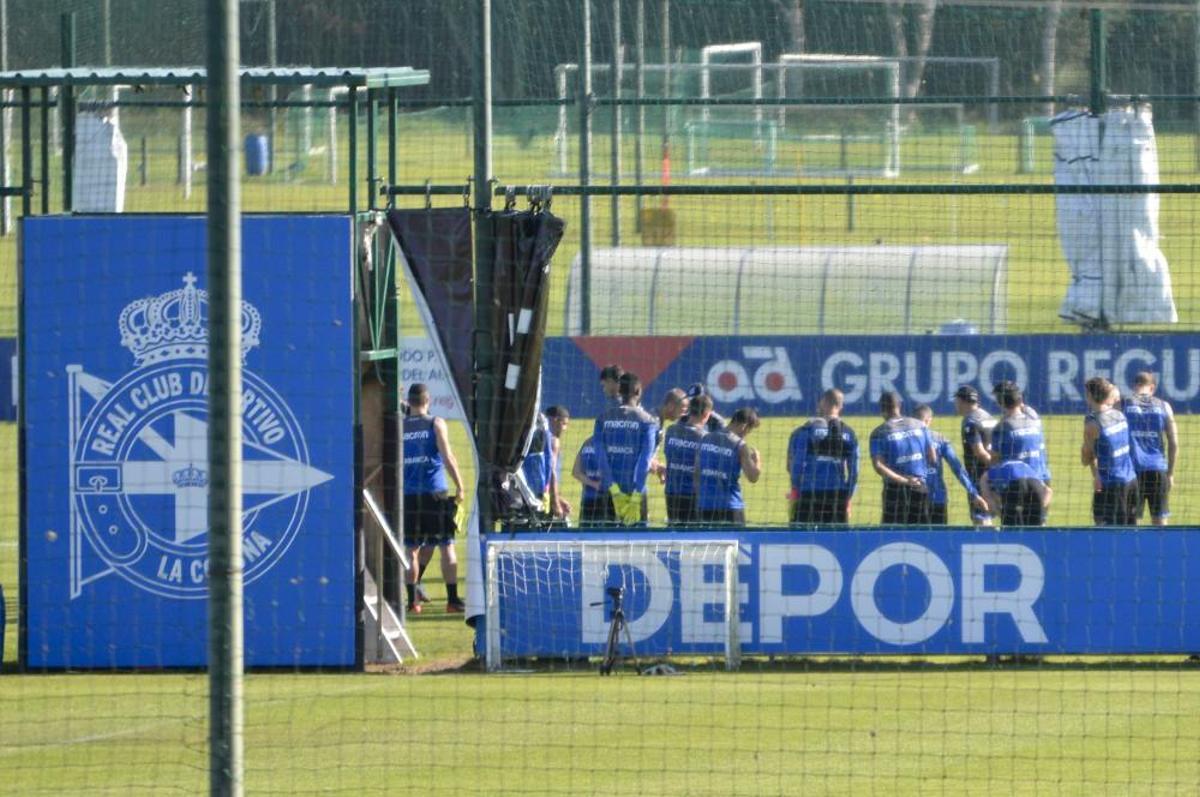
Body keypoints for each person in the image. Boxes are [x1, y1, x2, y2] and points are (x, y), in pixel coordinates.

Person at [402, 383, 466, 614]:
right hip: (435, 494)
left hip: (408, 496)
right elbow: (447, 456)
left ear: (409, 402)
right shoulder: (435, 423)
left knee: (411, 550)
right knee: (446, 546)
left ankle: (412, 602)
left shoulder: (399, 426)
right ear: (428, 401)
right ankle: (452, 600)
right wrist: (460, 485)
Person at [593, 372, 659, 524]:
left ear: (619, 391)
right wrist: (637, 494)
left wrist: (614, 489)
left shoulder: (602, 419)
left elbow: (600, 457)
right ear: (638, 391)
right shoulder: (648, 421)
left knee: (608, 537)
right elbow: (645, 461)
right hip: (636, 491)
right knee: (639, 537)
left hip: (609, 492)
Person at [787, 388, 858, 524]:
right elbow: (854, 471)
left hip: (809, 492)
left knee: (805, 535)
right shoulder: (849, 433)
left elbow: (796, 465)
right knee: (836, 536)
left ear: (822, 402)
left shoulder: (804, 431)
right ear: (841, 406)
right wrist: (847, 495)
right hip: (837, 494)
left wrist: (797, 489)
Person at [914, 404, 989, 525]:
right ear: (929, 420)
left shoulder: (906, 440)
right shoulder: (940, 439)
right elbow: (958, 468)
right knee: (938, 534)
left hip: (912, 497)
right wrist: (974, 493)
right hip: (937, 496)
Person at [1081, 376, 1139, 526]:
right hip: (1131, 480)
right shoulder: (1119, 415)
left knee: (1106, 531)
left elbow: (1086, 459)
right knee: (1131, 529)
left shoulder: (1092, 424)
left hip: (1110, 486)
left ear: (1090, 396)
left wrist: (1086, 446)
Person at [869, 391, 933, 525]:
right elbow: (932, 456)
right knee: (922, 533)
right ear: (899, 405)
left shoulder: (879, 432)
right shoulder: (920, 425)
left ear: (882, 410)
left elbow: (878, 466)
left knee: (892, 534)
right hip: (919, 485)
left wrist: (903, 480)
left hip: (894, 491)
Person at [1123, 371, 1178, 526]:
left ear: (1134, 386)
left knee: (1132, 522)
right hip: (1158, 469)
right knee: (1160, 521)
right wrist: (1170, 473)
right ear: (1152, 387)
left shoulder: (1123, 404)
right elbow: (1174, 442)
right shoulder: (1164, 406)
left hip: (1133, 471)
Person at [695, 407, 762, 525]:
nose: (746, 435)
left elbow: (696, 472)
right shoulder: (740, 445)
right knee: (736, 538)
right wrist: (757, 460)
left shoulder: (706, 438)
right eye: (749, 431)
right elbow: (753, 477)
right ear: (744, 426)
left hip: (705, 504)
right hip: (731, 506)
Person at [663, 393, 712, 525]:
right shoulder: (705, 437)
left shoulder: (671, 430)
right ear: (706, 414)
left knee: (674, 530)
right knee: (693, 534)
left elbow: (668, 455)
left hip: (671, 491)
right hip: (693, 494)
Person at [990, 380, 1052, 486]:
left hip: (1017, 483)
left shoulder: (1001, 428)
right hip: (1042, 479)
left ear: (999, 403)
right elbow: (1023, 407)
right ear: (1020, 399)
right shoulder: (1034, 418)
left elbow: (995, 461)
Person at [979, 459, 1052, 526]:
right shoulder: (1027, 467)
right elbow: (1048, 491)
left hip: (1015, 485)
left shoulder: (988, 474)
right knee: (1036, 530)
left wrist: (1002, 514)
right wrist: (1039, 509)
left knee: (1011, 530)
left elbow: (987, 497)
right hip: (1035, 485)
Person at [572, 435, 612, 525]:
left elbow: (576, 472)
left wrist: (593, 484)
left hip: (587, 500)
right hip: (606, 501)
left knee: (585, 532)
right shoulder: (611, 443)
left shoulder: (587, 442)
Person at [545, 405, 572, 519]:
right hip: (544, 500)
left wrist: (558, 498)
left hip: (537, 496)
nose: (565, 429)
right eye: (564, 424)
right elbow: (551, 472)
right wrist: (555, 502)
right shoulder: (554, 441)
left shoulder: (537, 437)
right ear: (555, 420)